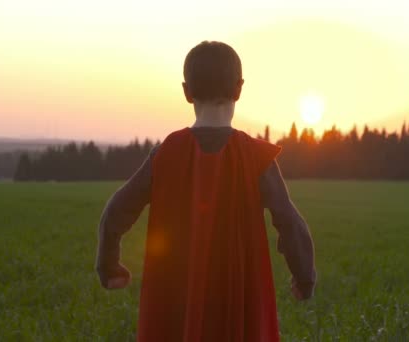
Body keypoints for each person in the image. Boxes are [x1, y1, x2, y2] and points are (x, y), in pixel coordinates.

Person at [96, 41, 316, 341]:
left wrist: (109, 267)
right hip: (239, 297)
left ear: (187, 92)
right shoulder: (255, 157)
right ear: (239, 89)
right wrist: (304, 278)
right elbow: (289, 222)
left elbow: (116, 211)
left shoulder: (165, 154)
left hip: (174, 298)